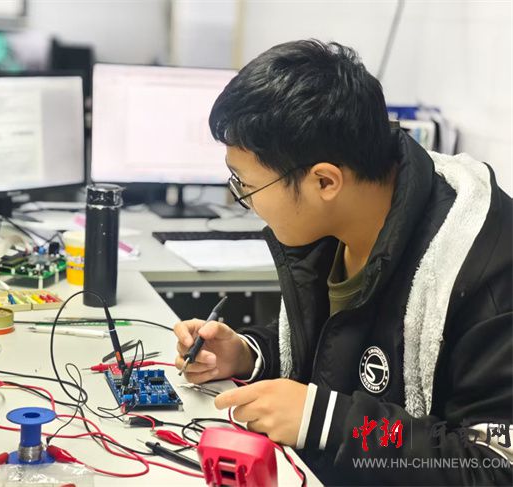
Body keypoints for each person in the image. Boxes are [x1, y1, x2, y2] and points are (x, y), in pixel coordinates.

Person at [173, 39, 512, 485]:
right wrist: (247, 354)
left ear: (325, 182)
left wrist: (328, 423)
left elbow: (494, 465)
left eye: (246, 186)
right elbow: (337, 349)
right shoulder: (340, 218)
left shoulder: (486, 269)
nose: (243, 200)